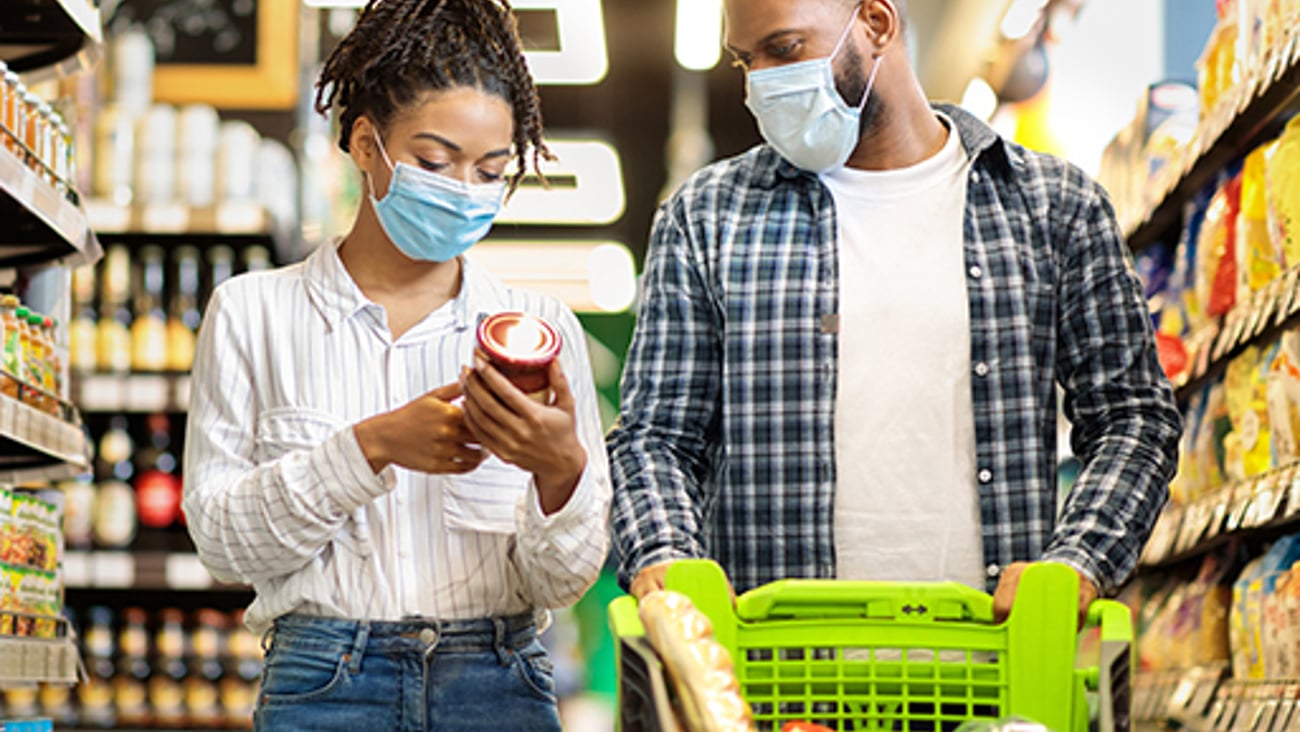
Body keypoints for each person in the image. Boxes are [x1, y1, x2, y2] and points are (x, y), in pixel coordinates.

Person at [608, 0, 1181, 626]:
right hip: (777, 678)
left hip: (990, 667)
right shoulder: (708, 218)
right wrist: (664, 554)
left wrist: (1078, 561)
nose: (761, 84)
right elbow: (653, 438)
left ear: (876, 23)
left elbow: (1134, 416)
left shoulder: (1054, 208)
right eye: (747, 61)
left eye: (786, 49)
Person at [181, 1, 611, 729]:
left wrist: (558, 470)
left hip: (496, 682)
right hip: (323, 684)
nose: (463, 189)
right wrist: (369, 448)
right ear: (365, 144)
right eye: (436, 162)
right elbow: (223, 546)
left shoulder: (542, 334)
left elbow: (562, 581)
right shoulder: (253, 313)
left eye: (491, 170)